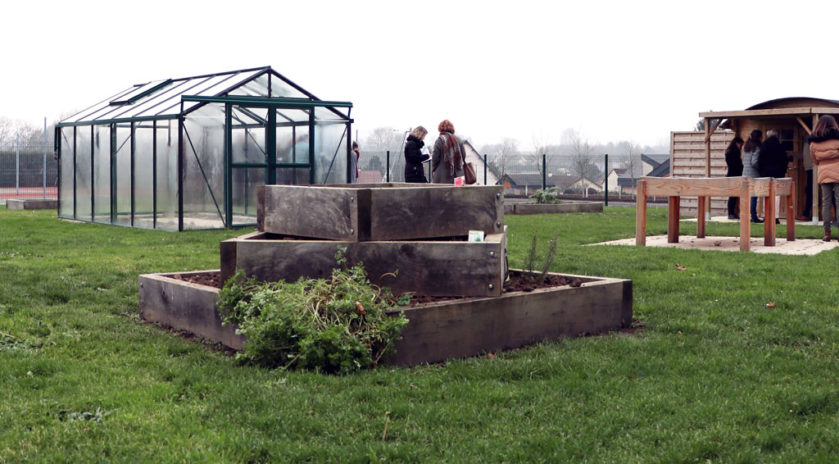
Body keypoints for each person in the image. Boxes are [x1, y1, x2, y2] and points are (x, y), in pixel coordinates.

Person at [807, 115, 839, 241]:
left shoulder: (813, 142)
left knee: (826, 204)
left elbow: (815, 160)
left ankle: (827, 233)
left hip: (823, 173)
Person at [759, 130, 791, 223]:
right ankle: (776, 217)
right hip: (778, 173)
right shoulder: (780, 146)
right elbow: (785, 160)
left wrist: (761, 171)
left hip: (766, 173)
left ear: (768, 136)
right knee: (777, 195)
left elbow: (760, 160)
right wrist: (783, 171)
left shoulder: (764, 145)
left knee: (766, 194)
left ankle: (766, 216)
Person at [431, 120, 464, 184]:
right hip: (458, 174)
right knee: (459, 193)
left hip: (442, 176)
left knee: (443, 193)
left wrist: (434, 168)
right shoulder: (459, 139)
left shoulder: (440, 140)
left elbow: (435, 158)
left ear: (440, 128)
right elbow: (464, 155)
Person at [742, 129, 764, 223]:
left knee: (746, 196)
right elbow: (754, 162)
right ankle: (754, 216)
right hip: (754, 174)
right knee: (754, 196)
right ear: (759, 137)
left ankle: (745, 215)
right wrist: (761, 168)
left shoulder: (746, 147)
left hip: (745, 173)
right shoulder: (757, 148)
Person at [724, 136, 744, 219]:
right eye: (740, 145)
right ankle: (731, 213)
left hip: (731, 174)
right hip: (734, 175)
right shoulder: (734, 152)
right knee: (733, 196)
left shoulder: (729, 152)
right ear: (737, 143)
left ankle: (731, 213)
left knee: (733, 196)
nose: (741, 147)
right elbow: (736, 165)